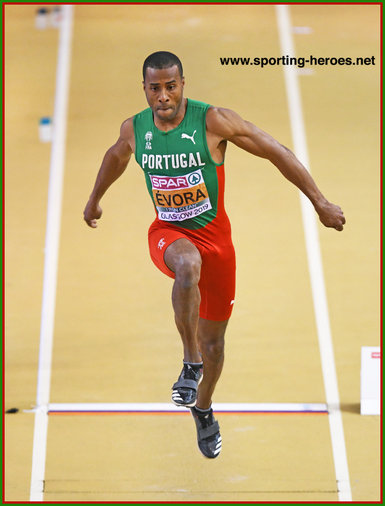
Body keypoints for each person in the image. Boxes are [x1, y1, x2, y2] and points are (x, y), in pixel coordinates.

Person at [83, 51, 345, 459]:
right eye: (155, 88)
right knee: (187, 264)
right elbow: (116, 155)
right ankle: (190, 363)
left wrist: (320, 203)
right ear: (145, 89)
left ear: (183, 84)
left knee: (216, 346)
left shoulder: (213, 121)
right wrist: (94, 200)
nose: (164, 96)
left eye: (171, 86)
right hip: (168, 235)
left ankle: (203, 407)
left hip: (217, 245)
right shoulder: (135, 129)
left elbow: (274, 149)